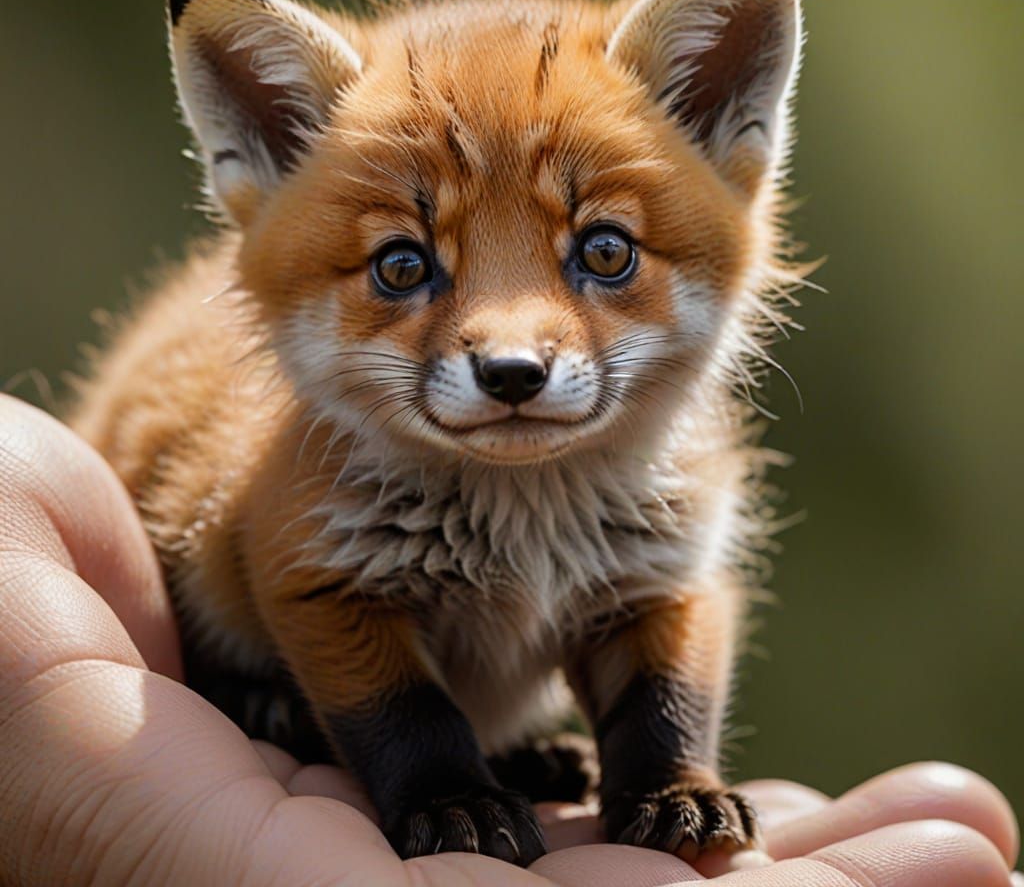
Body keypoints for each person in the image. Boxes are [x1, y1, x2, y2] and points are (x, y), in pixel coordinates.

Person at [0, 394, 1019, 886]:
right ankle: (428, 765)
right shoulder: (323, 448)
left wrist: (663, 771)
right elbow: (318, 587)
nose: (513, 337)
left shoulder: (667, 462)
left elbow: (663, 602)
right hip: (216, 656)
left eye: (602, 254)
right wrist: (432, 778)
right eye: (408, 266)